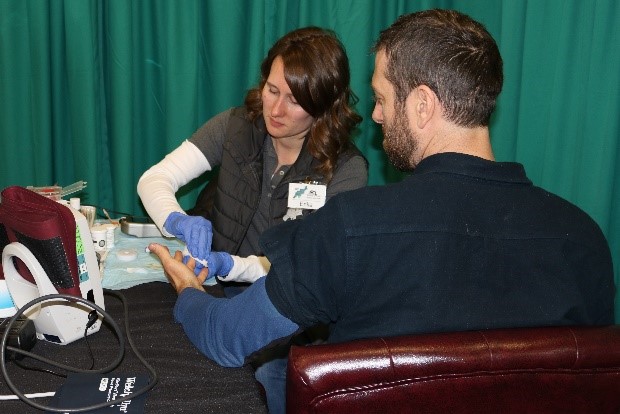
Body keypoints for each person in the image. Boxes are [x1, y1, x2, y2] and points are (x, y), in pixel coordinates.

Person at [148, 9, 616, 413]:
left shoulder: (351, 228)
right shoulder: (585, 240)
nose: (374, 116)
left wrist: (189, 292)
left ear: (423, 105)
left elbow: (227, 340)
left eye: (381, 99)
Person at [137, 26, 368, 285]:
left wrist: (230, 265)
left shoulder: (347, 169)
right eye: (272, 90)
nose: (276, 110)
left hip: (287, 307)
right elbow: (155, 178)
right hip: (215, 288)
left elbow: (312, 264)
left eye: (294, 100)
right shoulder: (236, 127)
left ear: (323, 106)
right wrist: (176, 220)